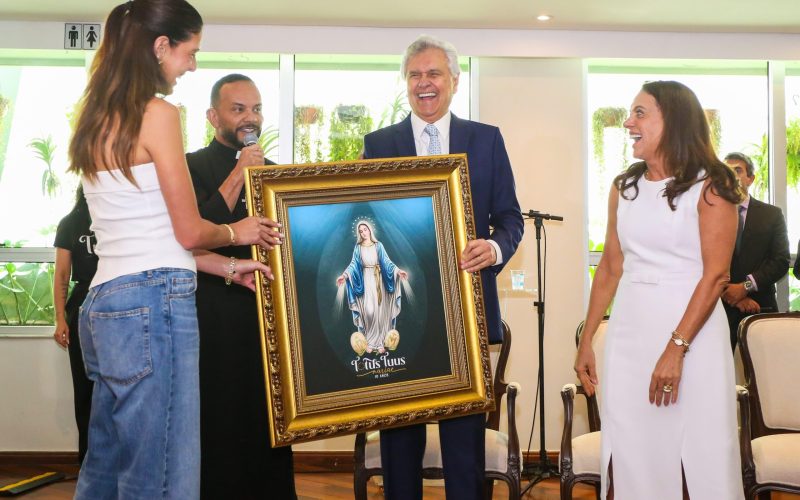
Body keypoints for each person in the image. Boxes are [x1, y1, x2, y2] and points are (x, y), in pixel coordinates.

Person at [67, 2, 276, 498]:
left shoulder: (94, 114)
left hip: (106, 304)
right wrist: (236, 233)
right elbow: (187, 230)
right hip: (152, 306)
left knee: (107, 464)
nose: (192, 66)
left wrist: (225, 266)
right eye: (190, 52)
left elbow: (146, 235)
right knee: (163, 473)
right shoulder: (158, 113)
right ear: (161, 47)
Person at [361, 35, 524, 500]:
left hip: (467, 316)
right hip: (398, 316)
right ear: (405, 83)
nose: (424, 83)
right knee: (399, 445)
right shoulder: (379, 144)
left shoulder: (486, 139)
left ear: (454, 80)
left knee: (463, 449)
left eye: (433, 74)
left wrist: (492, 249)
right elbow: (364, 215)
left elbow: (510, 217)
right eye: (415, 75)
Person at [574, 80, 745, 499]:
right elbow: (611, 265)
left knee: (699, 450)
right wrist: (587, 338)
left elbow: (716, 276)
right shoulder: (623, 187)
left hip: (693, 336)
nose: (628, 122)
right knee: (632, 445)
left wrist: (676, 347)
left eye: (640, 113)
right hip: (630, 333)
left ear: (674, 120)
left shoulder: (712, 186)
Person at [186, 73, 296, 499]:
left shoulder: (273, 173)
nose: (250, 118)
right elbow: (195, 231)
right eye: (238, 109)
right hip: (212, 313)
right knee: (219, 415)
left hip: (267, 317)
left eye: (256, 109)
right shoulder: (190, 166)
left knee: (268, 417)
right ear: (214, 116)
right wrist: (239, 174)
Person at [721, 152, 790, 351]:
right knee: (720, 376)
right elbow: (701, 260)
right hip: (719, 308)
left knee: (765, 376)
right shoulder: (710, 214)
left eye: (738, 170)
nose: (732, 175)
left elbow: (780, 261)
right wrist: (730, 292)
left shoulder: (772, 214)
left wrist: (745, 287)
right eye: (727, 170)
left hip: (760, 307)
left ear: (751, 178)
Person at [52, 186, 96, 466]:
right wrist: (59, 318)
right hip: (82, 306)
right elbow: (62, 274)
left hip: (120, 299)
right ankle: (88, 464)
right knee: (85, 389)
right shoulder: (70, 222)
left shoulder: (120, 214)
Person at [336, 221, 408, 355]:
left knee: (381, 312)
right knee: (369, 312)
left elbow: (387, 262)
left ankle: (380, 343)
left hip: (380, 281)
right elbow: (353, 265)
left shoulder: (378, 245)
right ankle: (369, 342)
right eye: (361, 231)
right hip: (366, 281)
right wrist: (344, 276)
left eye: (365, 229)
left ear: (370, 230)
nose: (363, 233)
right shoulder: (358, 248)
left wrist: (398, 271)